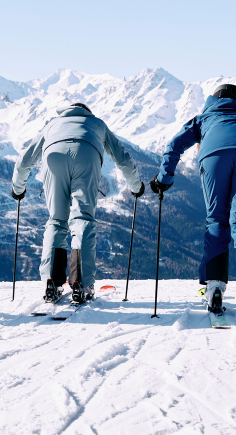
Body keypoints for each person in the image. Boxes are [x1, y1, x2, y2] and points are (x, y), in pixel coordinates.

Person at [151, 84, 236, 320]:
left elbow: (175, 145)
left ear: (213, 99)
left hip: (213, 156)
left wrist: (164, 179)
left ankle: (214, 289)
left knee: (217, 221)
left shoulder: (204, 118)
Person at [11, 103, 145, 304]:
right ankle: (80, 283)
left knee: (56, 220)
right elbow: (122, 159)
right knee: (82, 219)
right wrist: (136, 186)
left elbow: (25, 160)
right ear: (87, 112)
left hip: (53, 157)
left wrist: (18, 189)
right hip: (86, 155)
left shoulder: (52, 125)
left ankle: (51, 282)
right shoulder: (97, 124)